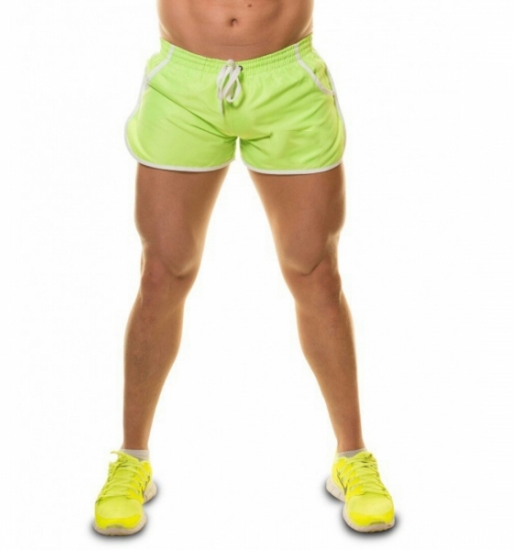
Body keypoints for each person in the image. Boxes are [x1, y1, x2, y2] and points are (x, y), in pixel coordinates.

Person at [93, 0, 395, 536]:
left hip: (287, 81)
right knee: (162, 274)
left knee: (315, 272)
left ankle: (352, 457)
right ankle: (132, 459)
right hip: (184, 83)